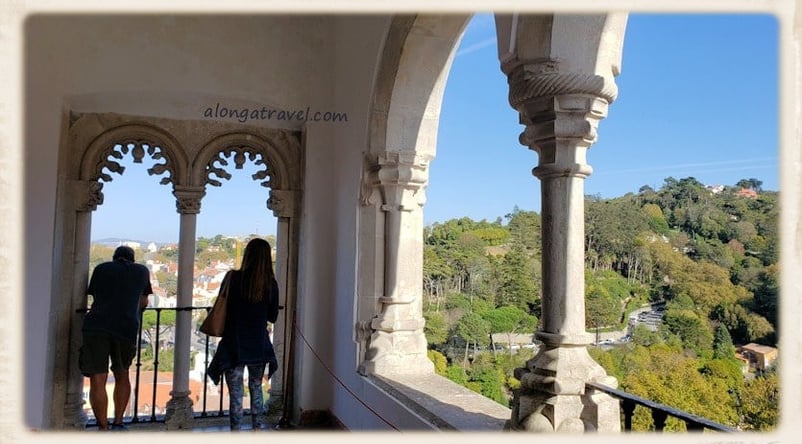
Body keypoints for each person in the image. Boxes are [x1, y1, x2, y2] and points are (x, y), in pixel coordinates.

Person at [207, 238, 279, 431]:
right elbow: (273, 316)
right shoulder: (271, 284)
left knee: (236, 393)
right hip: (258, 342)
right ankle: (257, 429)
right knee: (256, 387)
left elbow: (223, 305)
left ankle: (236, 431)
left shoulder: (233, 278)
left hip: (234, 342)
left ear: (247, 255)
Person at [79, 245, 152, 431]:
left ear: (114, 257)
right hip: (126, 327)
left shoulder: (101, 269)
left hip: (96, 326)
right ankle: (118, 422)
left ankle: (103, 426)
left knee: (97, 377)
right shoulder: (142, 271)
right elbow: (143, 301)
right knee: (122, 374)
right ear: (133, 258)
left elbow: (95, 296)